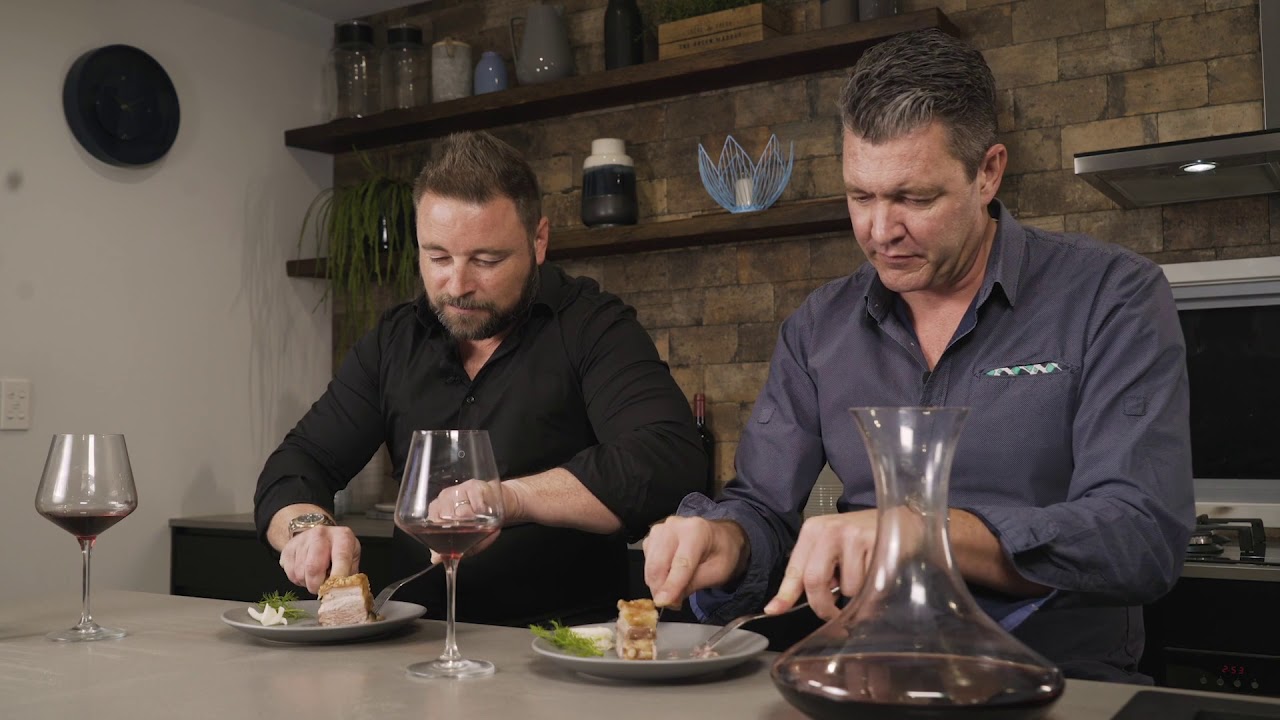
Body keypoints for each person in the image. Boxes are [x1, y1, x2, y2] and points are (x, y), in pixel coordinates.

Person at [641, 29, 1195, 683]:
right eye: (861, 196)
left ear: (988, 172)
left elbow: (1139, 534)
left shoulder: (1111, 295)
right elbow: (762, 505)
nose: (880, 231)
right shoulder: (818, 326)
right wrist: (726, 540)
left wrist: (922, 534)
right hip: (870, 677)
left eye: (915, 198)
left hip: (1061, 681)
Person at [255, 131, 707, 626]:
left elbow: (667, 460)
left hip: (563, 646)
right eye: (437, 257)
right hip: (416, 641)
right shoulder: (395, 340)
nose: (457, 285)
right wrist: (307, 529)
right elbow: (299, 463)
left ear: (538, 241)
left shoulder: (593, 327)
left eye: (486, 260)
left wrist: (510, 499)